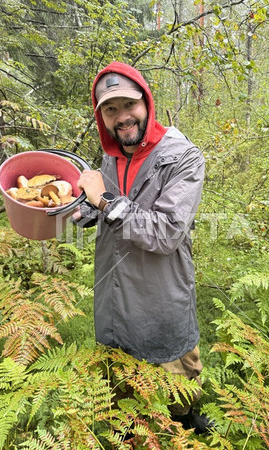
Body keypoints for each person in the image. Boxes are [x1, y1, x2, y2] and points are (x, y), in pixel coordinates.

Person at [72, 61, 208, 433]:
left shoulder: (182, 158)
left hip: (161, 295)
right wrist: (79, 209)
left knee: (177, 390)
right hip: (115, 295)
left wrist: (102, 202)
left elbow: (166, 232)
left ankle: (186, 424)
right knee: (124, 393)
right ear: (102, 116)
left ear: (146, 101)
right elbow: (108, 208)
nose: (122, 117)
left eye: (128, 105)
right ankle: (130, 433)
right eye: (110, 109)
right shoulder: (111, 157)